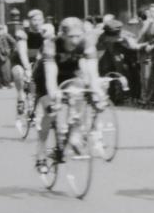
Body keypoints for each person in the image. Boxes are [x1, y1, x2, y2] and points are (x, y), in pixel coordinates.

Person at [34, 16, 105, 173]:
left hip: (70, 74)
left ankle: (74, 132)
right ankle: (40, 152)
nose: (75, 41)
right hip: (45, 78)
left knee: (78, 91)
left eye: (78, 36)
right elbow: (50, 75)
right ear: (63, 35)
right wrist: (54, 95)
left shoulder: (86, 43)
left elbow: (93, 73)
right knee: (51, 111)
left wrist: (97, 91)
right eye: (71, 37)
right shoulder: (51, 44)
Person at [10, 9, 48, 115]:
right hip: (21, 61)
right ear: (29, 21)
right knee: (19, 73)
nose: (37, 23)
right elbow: (22, 53)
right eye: (34, 20)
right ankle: (21, 95)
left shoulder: (46, 33)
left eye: (39, 20)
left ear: (43, 20)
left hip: (37, 60)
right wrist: (27, 67)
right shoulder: (23, 33)